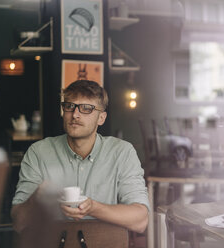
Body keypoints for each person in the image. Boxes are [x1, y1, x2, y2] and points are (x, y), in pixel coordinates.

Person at [11, 80, 149, 234]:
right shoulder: (39, 152)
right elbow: (18, 223)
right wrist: (36, 199)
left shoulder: (122, 153)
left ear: (101, 118)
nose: (75, 115)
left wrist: (94, 208)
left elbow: (141, 220)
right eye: (69, 106)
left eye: (86, 108)